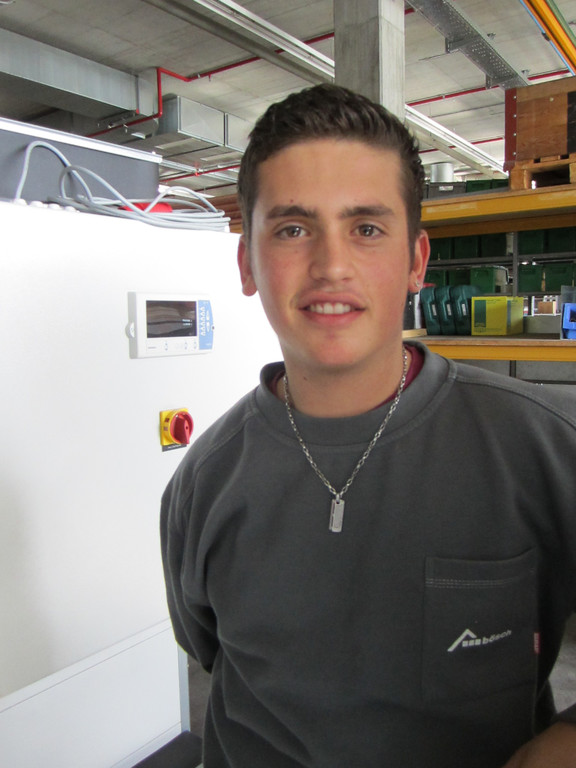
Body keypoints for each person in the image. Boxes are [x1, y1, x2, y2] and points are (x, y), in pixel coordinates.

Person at [161, 83, 576, 767]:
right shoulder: (204, 482)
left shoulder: (542, 448)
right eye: (293, 229)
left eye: (367, 229)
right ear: (247, 263)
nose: (331, 266)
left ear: (416, 262)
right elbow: (209, 650)